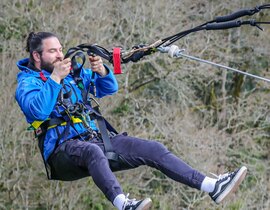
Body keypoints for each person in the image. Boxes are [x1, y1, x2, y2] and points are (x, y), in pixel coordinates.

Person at [15, 32, 247, 210]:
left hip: (95, 140)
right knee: (91, 153)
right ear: (37, 56)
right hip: (62, 153)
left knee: (152, 149)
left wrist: (102, 71)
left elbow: (108, 88)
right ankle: (124, 204)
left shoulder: (72, 76)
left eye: (61, 49)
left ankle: (211, 186)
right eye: (53, 51)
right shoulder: (27, 84)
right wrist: (55, 77)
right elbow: (38, 111)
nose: (59, 55)